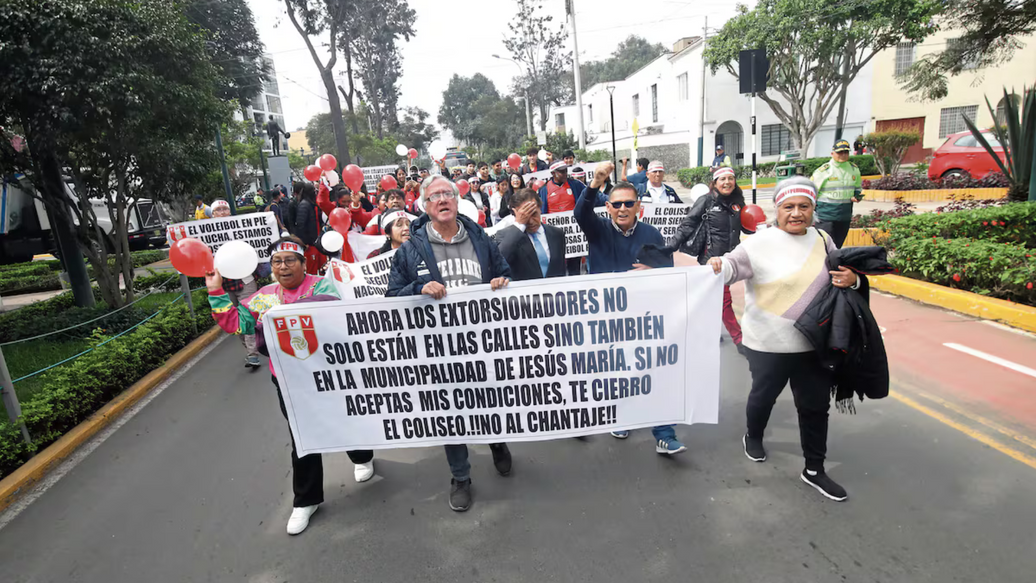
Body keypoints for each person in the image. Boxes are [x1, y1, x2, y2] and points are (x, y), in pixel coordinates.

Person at [205, 236, 376, 535]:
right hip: (287, 379)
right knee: (302, 434)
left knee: (342, 418)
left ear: (303, 262)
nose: (283, 267)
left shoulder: (322, 285)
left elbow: (332, 308)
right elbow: (235, 323)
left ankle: (362, 456)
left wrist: (283, 313)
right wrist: (214, 290)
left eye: (289, 260)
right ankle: (305, 500)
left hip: (328, 372)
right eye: (276, 262)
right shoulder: (263, 297)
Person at [706, 177, 859, 501]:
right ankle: (754, 435)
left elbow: (842, 272)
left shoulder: (822, 239)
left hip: (814, 343)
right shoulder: (758, 243)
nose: (796, 213)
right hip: (767, 344)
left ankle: (814, 469)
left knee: (815, 406)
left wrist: (853, 279)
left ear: (813, 209)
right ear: (777, 209)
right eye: (789, 207)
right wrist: (720, 265)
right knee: (763, 397)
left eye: (804, 206)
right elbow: (732, 267)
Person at [386, 175, 513, 512]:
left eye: (447, 194)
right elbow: (390, 297)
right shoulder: (411, 249)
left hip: (483, 343)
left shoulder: (480, 238)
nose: (442, 200)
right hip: (438, 350)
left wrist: (501, 280)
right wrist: (417, 289)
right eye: (434, 196)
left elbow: (504, 271)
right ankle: (461, 477)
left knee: (489, 401)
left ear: (457, 201)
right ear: (425, 207)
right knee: (451, 413)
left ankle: (497, 441)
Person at [574, 161, 687, 454]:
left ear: (640, 207)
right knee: (616, 369)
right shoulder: (597, 230)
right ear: (608, 208)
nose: (622, 209)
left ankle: (664, 433)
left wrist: (651, 270)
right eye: (616, 204)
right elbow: (580, 213)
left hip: (644, 316)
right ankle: (622, 415)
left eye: (628, 203)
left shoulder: (652, 235)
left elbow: (668, 272)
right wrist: (595, 183)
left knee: (653, 370)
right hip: (607, 316)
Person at [670, 166, 749, 350]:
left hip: (732, 257)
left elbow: (746, 227)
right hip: (711, 258)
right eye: (722, 179)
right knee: (724, 299)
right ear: (714, 183)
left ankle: (704, 329)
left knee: (710, 296)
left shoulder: (738, 202)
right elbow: (687, 225)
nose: (727, 182)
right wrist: (670, 247)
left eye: (731, 178)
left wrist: (760, 225)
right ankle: (739, 339)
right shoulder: (706, 201)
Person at [209, 200, 261, 368]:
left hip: (245, 279)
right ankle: (250, 348)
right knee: (234, 317)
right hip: (224, 283)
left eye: (225, 209)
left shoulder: (241, 229)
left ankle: (253, 354)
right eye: (218, 210)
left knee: (249, 315)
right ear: (213, 214)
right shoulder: (207, 234)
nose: (222, 212)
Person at [494, 188, 566, 280]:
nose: (531, 221)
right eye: (525, 216)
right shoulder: (505, 236)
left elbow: (561, 270)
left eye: (534, 214)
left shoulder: (557, 234)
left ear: (540, 209)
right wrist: (520, 224)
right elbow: (500, 261)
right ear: (515, 214)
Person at [811, 139, 863, 248]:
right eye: (840, 152)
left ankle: (833, 265)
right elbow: (811, 192)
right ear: (832, 153)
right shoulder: (824, 171)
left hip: (844, 215)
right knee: (824, 246)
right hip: (825, 215)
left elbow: (857, 187)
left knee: (837, 246)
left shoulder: (854, 170)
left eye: (846, 152)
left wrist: (857, 196)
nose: (843, 155)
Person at [293, 183, 327, 273]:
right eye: (314, 191)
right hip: (310, 244)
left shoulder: (312, 204)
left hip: (317, 242)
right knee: (312, 269)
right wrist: (304, 243)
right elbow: (300, 225)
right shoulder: (304, 205)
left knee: (322, 267)